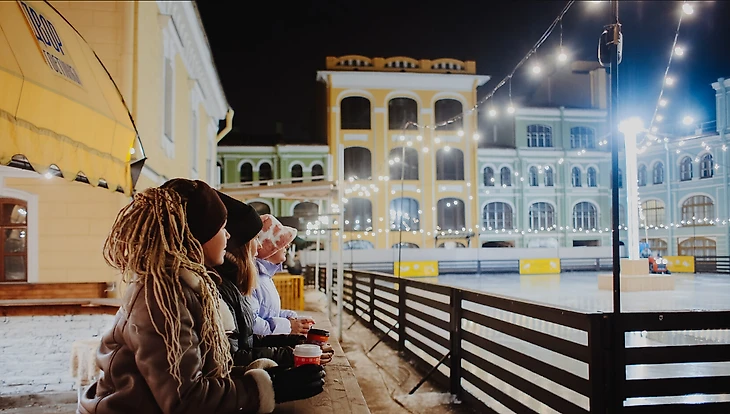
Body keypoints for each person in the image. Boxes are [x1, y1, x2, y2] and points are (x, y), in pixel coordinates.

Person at [79, 179, 324, 414]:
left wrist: (266, 375)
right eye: (221, 227)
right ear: (198, 234)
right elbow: (185, 399)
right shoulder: (162, 297)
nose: (228, 236)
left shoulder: (186, 287)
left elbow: (205, 373)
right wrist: (269, 388)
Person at [213, 192, 333, 367]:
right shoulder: (234, 282)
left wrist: (295, 340)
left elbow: (251, 335)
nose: (259, 244)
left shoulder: (241, 278)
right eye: (255, 238)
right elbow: (238, 349)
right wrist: (290, 341)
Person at [251, 214, 314, 336]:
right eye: (281, 242)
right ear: (268, 247)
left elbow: (268, 313)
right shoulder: (252, 278)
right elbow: (252, 324)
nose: (287, 246)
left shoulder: (265, 276)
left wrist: (291, 318)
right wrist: (289, 326)